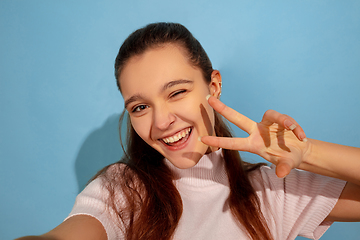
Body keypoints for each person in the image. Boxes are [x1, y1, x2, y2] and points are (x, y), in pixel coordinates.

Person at [16, 22, 360, 240]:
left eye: (176, 92)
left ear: (214, 85)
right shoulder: (120, 192)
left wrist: (307, 154)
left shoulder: (274, 191)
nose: (161, 121)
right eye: (140, 107)